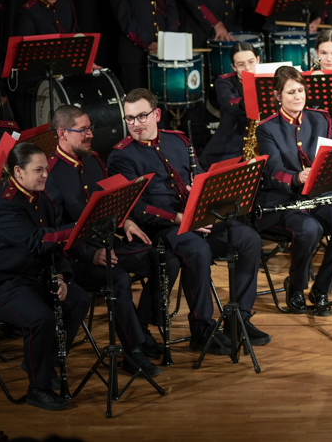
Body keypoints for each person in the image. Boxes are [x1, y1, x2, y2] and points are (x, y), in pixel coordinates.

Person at [106, 88, 269, 354]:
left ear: (157, 114)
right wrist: (179, 217)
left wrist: (203, 194)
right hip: (161, 228)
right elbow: (136, 208)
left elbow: (200, 175)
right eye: (130, 118)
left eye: (142, 116)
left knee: (248, 239)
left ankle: (239, 319)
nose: (136, 124)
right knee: (197, 250)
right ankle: (202, 331)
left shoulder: (178, 140)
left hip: (196, 218)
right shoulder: (122, 155)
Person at [45, 106, 168, 377]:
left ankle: (141, 329)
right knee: (119, 279)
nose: (90, 134)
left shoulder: (93, 161)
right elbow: (55, 232)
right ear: (62, 133)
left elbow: (110, 202)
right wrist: (90, 254)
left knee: (163, 259)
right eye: (83, 130)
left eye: (90, 128)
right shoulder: (50, 173)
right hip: (75, 258)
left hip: (108, 244)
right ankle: (133, 351)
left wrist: (126, 220)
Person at [254, 66, 332, 316]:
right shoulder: (266, 128)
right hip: (284, 200)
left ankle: (321, 289)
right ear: (277, 96)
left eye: (301, 90)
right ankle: (296, 285)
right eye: (291, 92)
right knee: (309, 229)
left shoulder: (320, 118)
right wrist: (297, 177)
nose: (298, 96)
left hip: (318, 196)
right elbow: (273, 172)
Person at [0, 143, 89, 411]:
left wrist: (60, 274)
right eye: (38, 170)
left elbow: (54, 246)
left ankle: (44, 361)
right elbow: (37, 241)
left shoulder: (41, 197)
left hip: (36, 276)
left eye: (46, 169)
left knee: (78, 300)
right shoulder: (5, 204)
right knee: (40, 319)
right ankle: (38, 389)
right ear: (18, 172)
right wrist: (79, 227)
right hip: (6, 282)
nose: (46, 175)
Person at [200, 42, 258, 168]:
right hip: (231, 146)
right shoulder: (223, 82)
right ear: (234, 67)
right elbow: (230, 104)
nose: (247, 68)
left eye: (251, 62)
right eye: (241, 64)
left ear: (258, 60)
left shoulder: (270, 78)